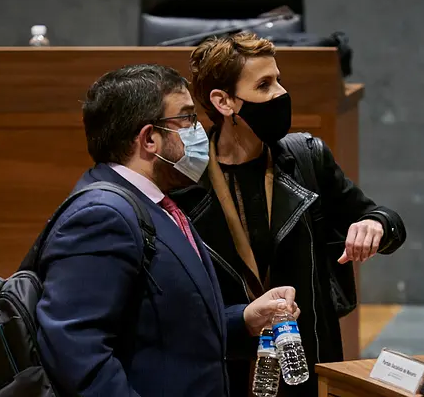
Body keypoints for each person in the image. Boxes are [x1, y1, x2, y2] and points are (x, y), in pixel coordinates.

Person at [35, 64, 301, 396]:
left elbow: (167, 325)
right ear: (149, 139)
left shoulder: (157, 203)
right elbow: (75, 350)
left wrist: (244, 319)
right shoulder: (100, 216)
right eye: (187, 118)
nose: (199, 129)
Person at [169, 32, 407, 396]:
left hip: (306, 362)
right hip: (227, 369)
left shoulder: (306, 157)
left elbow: (388, 222)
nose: (280, 93)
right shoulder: (184, 185)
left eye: (279, 80)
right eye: (264, 85)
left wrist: (375, 224)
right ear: (224, 101)